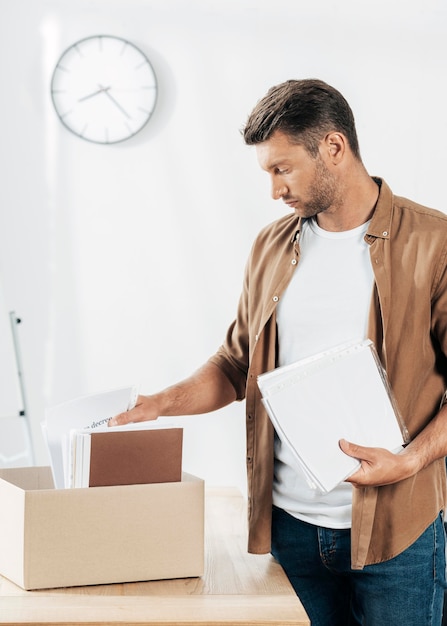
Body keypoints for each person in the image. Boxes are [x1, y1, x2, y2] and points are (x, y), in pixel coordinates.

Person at [109, 79, 447, 625]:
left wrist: (408, 461)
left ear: (334, 147)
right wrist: (160, 403)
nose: (274, 190)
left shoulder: (434, 242)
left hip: (398, 532)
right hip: (289, 531)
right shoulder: (272, 244)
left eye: (282, 169)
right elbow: (236, 364)